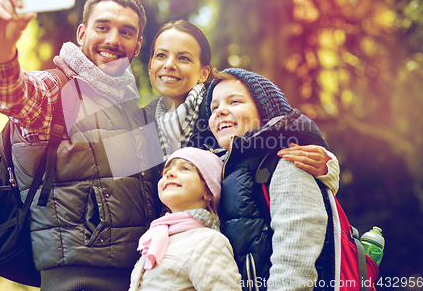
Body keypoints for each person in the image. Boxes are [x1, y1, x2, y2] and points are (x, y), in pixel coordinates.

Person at [0, 0, 161, 290]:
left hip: (136, 279)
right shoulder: (58, 89)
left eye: (126, 32)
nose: (113, 39)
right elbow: (14, 95)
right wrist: (2, 48)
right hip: (76, 280)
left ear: (137, 44)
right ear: (82, 34)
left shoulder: (134, 111)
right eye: (103, 27)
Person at [143, 20, 339, 192]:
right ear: (150, 64)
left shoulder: (219, 114)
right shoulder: (139, 122)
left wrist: (328, 166)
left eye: (183, 58)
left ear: (203, 73)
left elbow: (284, 128)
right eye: (161, 55)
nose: (169, 65)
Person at [206, 68, 337, 290]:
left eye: (234, 102)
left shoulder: (286, 162)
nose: (220, 111)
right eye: (214, 107)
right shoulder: (217, 169)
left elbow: (295, 258)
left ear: (265, 111)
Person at [129, 147, 242, 291]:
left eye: (184, 168)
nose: (170, 173)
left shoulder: (208, 241)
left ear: (209, 191)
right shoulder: (156, 236)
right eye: (165, 172)